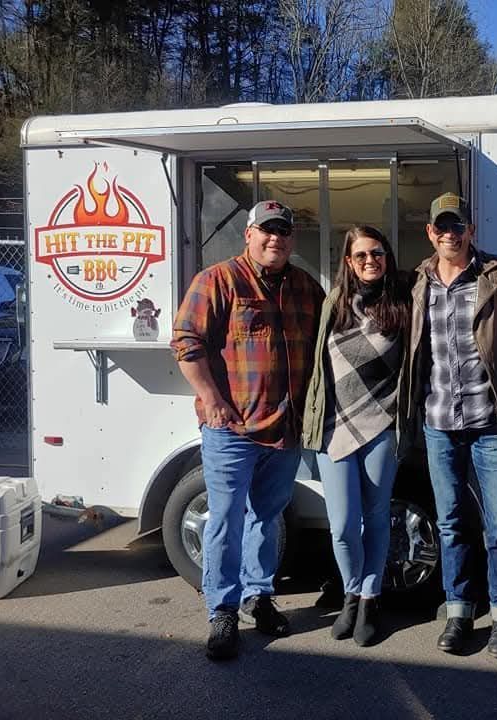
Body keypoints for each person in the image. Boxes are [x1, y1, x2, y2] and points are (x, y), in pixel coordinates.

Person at [172, 200, 324, 661]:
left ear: (292, 239)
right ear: (249, 234)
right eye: (267, 231)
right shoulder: (217, 280)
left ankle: (259, 597)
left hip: (285, 430)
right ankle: (222, 609)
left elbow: (331, 336)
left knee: (267, 516)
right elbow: (186, 342)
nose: (275, 239)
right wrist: (213, 400)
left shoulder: (304, 286)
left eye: (283, 232)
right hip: (232, 429)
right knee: (225, 520)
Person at [407, 192, 497, 659]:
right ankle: (458, 611)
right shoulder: (419, 283)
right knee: (452, 522)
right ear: (431, 233)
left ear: (471, 231)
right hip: (439, 421)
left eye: (459, 226)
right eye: (443, 227)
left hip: (490, 420)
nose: (451, 234)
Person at [302, 226, 410, 647]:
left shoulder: (403, 304)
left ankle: (370, 598)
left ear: (387, 257)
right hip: (334, 426)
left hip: (382, 425)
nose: (370, 261)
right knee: (344, 525)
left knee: (377, 517)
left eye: (377, 253)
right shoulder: (333, 304)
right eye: (361, 255)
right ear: (348, 261)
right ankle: (349, 591)